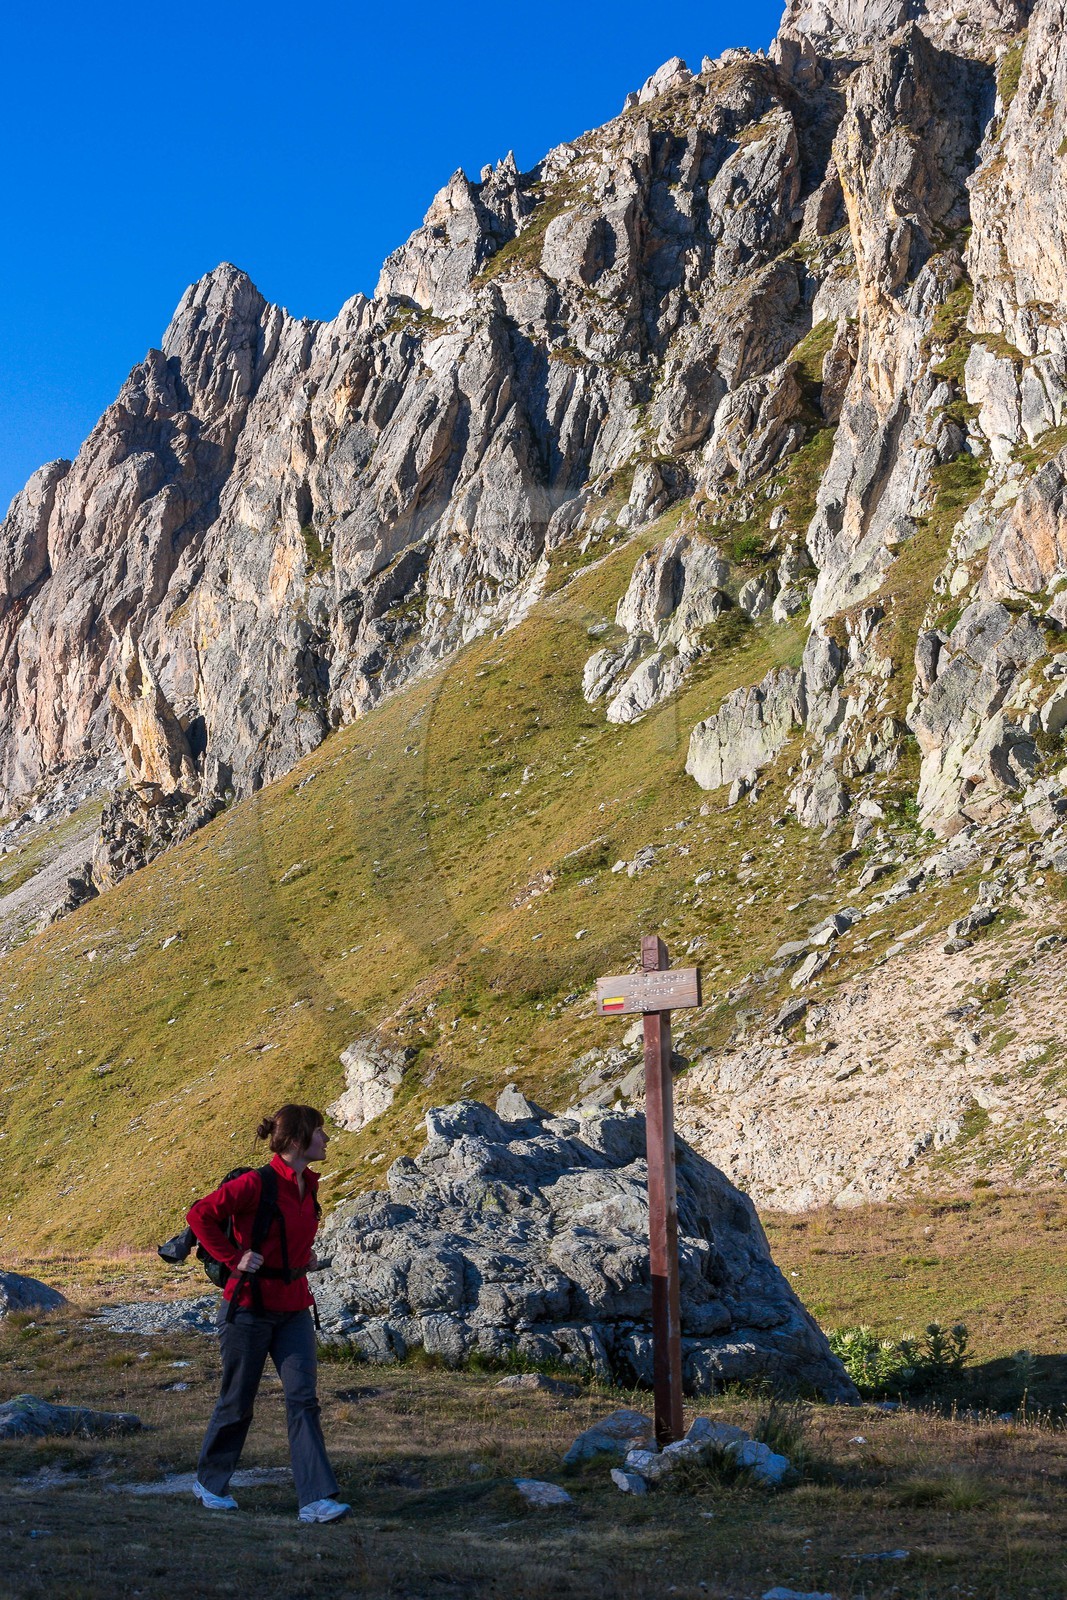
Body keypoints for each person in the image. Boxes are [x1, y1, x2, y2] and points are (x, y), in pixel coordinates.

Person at [186, 1103, 350, 1524]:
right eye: (319, 1131)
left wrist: (304, 1258)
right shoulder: (257, 1183)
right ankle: (209, 1483)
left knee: (303, 1400)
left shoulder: (308, 1184)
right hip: (248, 1309)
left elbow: (289, 1234)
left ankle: (315, 1500)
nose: (326, 1138)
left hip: (295, 1306)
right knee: (237, 1401)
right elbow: (199, 1215)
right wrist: (233, 1256)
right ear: (297, 1140)